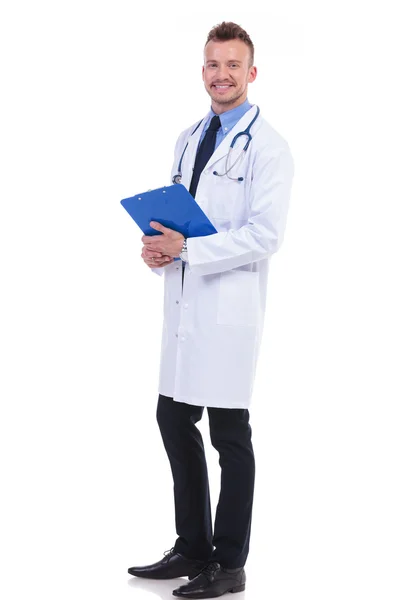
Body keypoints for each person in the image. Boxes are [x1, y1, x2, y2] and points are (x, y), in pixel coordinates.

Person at [128, 21, 294, 599]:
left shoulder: (268, 146)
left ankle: (230, 563)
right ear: (203, 70)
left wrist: (190, 250)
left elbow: (266, 234)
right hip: (185, 300)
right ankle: (192, 546)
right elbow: (179, 219)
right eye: (211, 64)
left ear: (251, 73)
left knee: (229, 433)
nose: (220, 75)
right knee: (173, 418)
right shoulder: (188, 136)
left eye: (232, 66)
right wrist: (159, 249)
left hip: (228, 308)